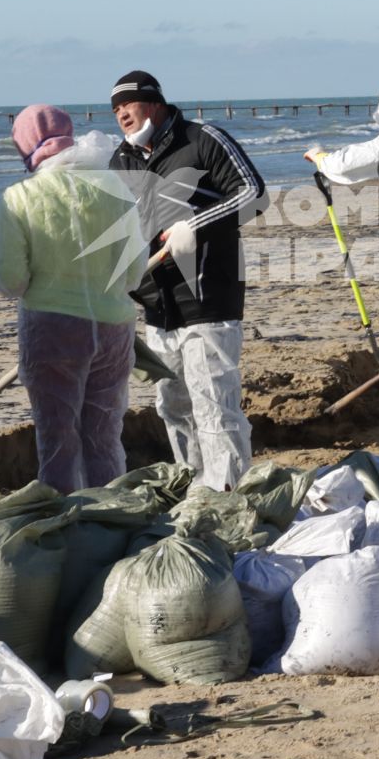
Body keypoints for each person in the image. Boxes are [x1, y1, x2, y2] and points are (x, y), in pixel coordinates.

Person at [108, 70, 267, 490]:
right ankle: (196, 490)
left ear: (155, 104)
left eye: (129, 103)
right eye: (115, 108)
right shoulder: (119, 161)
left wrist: (195, 226)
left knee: (214, 404)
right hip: (158, 308)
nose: (121, 113)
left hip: (208, 298)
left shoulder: (202, 139)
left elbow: (253, 194)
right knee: (174, 406)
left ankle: (230, 496)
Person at [0, 105, 149, 493]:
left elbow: (11, 280)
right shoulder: (114, 191)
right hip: (114, 327)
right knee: (105, 436)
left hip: (53, 327)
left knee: (57, 439)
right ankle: (108, 519)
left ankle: (64, 524)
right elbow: (133, 272)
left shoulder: (18, 197)